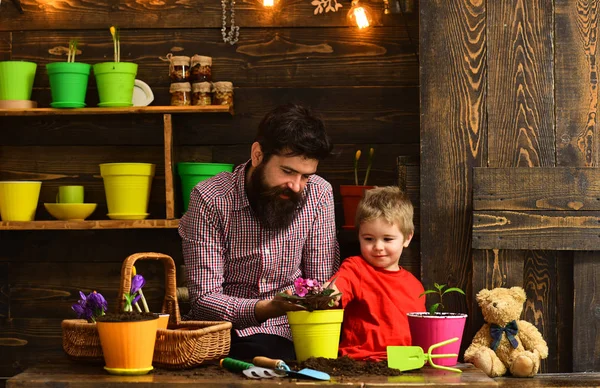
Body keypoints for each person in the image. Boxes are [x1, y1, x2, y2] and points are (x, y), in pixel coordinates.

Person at [179, 103, 340, 361]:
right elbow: (204, 301)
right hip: (223, 333)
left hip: (292, 331)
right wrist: (266, 308)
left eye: (306, 176)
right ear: (257, 155)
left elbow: (320, 284)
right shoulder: (210, 198)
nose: (297, 186)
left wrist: (319, 299)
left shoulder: (319, 195)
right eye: (287, 171)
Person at [329, 186, 425, 361]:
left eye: (387, 239)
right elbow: (338, 286)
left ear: (407, 238)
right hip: (361, 361)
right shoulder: (355, 268)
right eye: (368, 239)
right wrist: (328, 294)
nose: (378, 246)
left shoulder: (415, 286)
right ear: (359, 236)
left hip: (406, 363)